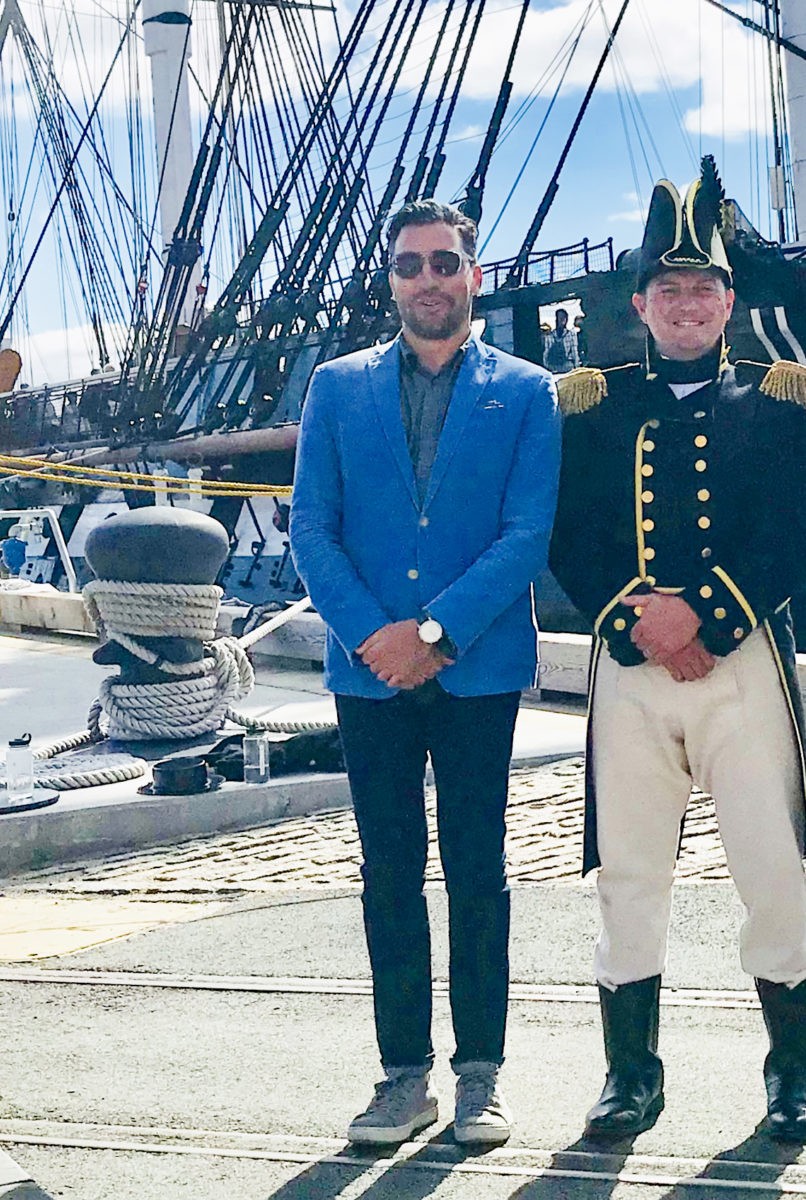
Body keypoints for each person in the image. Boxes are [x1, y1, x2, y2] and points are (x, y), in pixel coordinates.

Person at [547, 157, 806, 1144]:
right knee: (628, 871)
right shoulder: (589, 404)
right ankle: (632, 1077)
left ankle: (794, 1074)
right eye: (668, 288)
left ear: (727, 299)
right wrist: (637, 618)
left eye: (703, 286)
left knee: (770, 866)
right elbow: (568, 532)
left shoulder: (778, 398)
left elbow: (801, 528)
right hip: (629, 671)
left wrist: (706, 618)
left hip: (741, 663)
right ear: (639, 301)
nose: (686, 302)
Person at [290, 199, 562, 1149]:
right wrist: (378, 637)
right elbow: (311, 530)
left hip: (477, 671)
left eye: (445, 262)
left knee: (479, 871)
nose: (428, 279)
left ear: (473, 274)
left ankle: (480, 1077)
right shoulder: (336, 386)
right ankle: (402, 1077)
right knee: (390, 875)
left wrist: (436, 633)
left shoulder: (528, 391)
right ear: (390, 281)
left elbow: (526, 533)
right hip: (371, 677)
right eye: (410, 266)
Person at [543, 307, 579, 373]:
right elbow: (574, 352)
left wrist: (546, 367)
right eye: (560, 317)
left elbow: (546, 354)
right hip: (567, 366)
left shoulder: (549, 336)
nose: (562, 320)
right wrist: (577, 368)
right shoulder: (571, 334)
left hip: (553, 367)